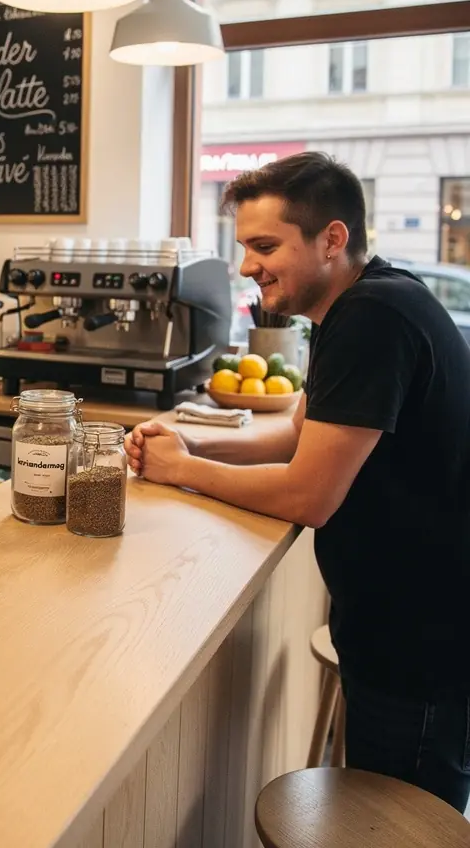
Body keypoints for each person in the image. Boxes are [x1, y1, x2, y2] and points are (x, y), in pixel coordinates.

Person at [127, 152, 470, 812]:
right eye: (246, 248)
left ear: (332, 239)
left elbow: (307, 496)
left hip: (423, 646)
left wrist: (182, 471)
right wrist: (192, 437)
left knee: (403, 823)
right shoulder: (364, 303)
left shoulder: (375, 319)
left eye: (264, 246)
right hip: (404, 628)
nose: (248, 266)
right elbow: (294, 435)